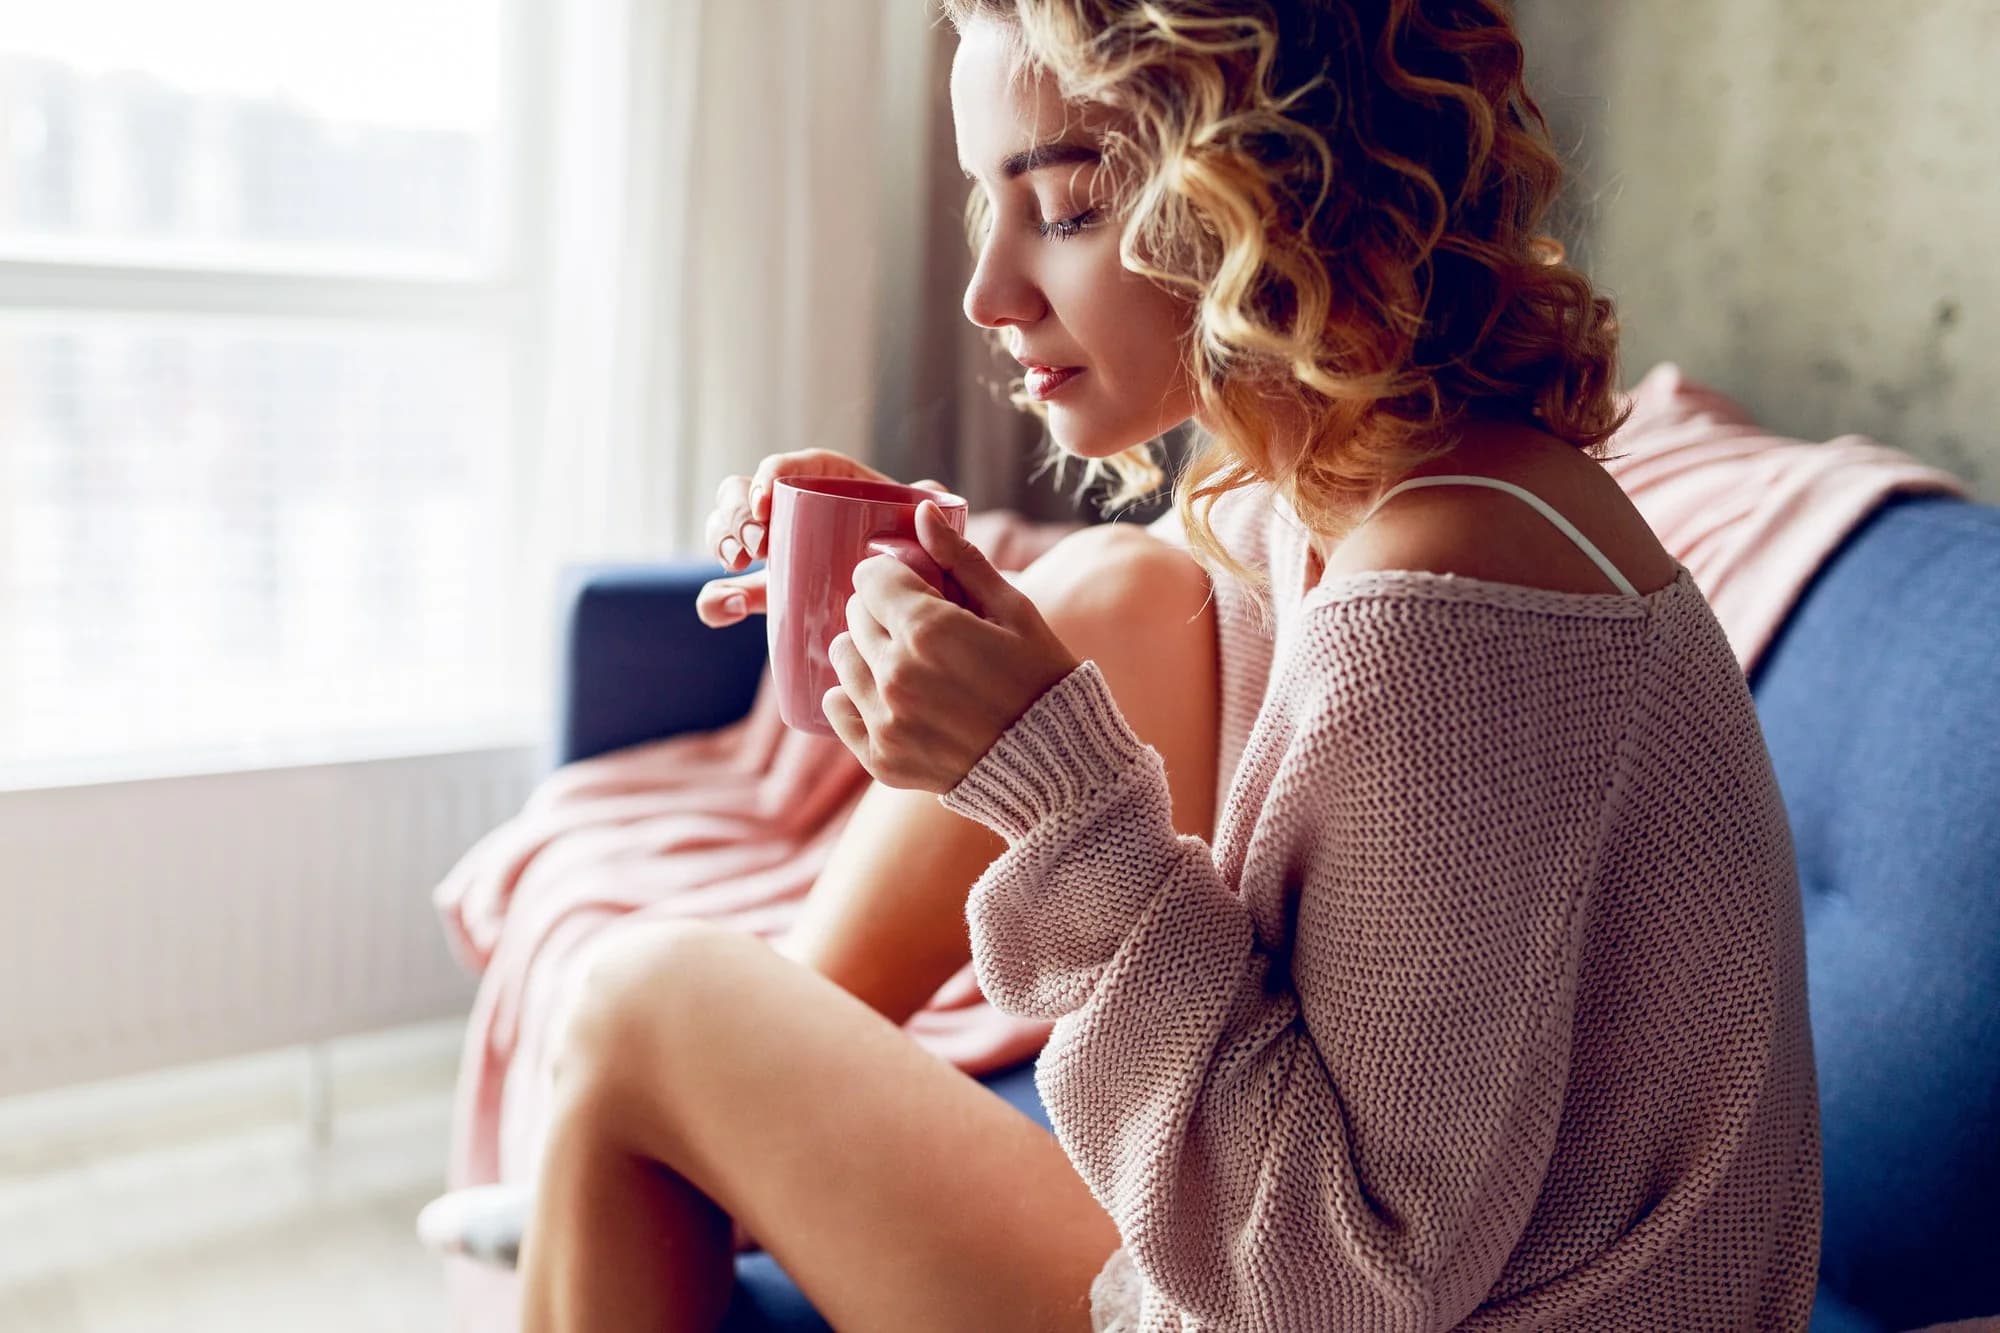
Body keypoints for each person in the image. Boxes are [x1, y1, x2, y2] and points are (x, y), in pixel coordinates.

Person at [509, 2, 1822, 1329]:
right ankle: (673, 1143)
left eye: (1070, 206)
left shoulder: (1445, 608)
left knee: (640, 1000)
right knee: (1120, 593)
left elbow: (1331, 1295)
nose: (989, 293)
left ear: (1278, 184)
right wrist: (915, 579)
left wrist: (1055, 795)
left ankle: (636, 1131)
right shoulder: (1360, 486)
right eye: (989, 203)